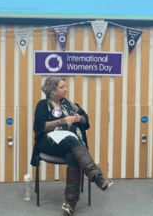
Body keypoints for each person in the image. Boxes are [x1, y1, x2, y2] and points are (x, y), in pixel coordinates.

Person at [31, 76, 113, 215]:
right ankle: (97, 177)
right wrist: (63, 121)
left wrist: (78, 118)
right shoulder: (42, 105)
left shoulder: (69, 104)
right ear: (52, 90)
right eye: (62, 87)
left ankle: (70, 204)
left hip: (69, 144)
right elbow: (39, 127)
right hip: (48, 142)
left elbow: (85, 120)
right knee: (71, 139)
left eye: (65, 86)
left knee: (73, 155)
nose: (66, 89)